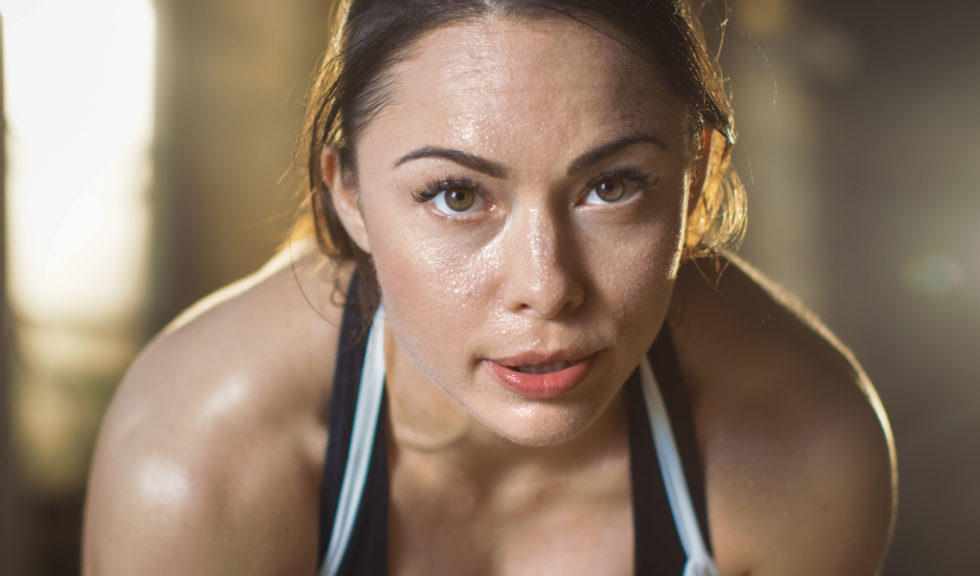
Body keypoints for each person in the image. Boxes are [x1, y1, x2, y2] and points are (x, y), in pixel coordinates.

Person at [83, 0, 897, 574]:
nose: (546, 289)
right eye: (458, 195)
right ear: (350, 195)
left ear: (700, 176)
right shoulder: (199, 463)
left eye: (612, 186)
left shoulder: (804, 447)